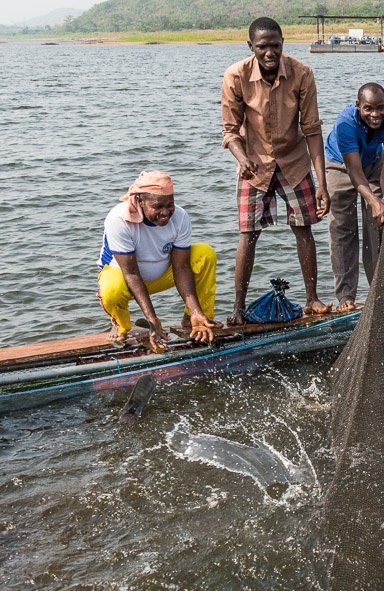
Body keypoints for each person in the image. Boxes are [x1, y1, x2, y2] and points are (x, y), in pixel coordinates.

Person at [221, 16, 333, 326]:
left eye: (276, 46)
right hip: (254, 164)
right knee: (248, 233)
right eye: (263, 47)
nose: (270, 53)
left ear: (283, 45)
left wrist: (322, 183)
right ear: (251, 47)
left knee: (304, 228)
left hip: (294, 162)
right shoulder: (236, 76)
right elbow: (230, 131)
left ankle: (312, 298)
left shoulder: (302, 73)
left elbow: (311, 130)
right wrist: (241, 159)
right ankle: (238, 307)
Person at [97, 171, 218, 353]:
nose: (165, 212)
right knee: (110, 290)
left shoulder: (181, 217)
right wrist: (152, 319)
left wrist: (195, 310)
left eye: (170, 205)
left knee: (205, 254)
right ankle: (122, 326)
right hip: (125, 279)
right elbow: (131, 273)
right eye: (158, 206)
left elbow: (182, 267)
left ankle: (196, 318)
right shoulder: (119, 220)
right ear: (139, 201)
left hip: (163, 273)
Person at [325, 82, 384, 313]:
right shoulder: (345, 123)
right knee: (342, 229)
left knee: (378, 225)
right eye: (368, 108)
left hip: (373, 163)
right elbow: (353, 170)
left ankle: (382, 292)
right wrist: (372, 201)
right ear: (358, 105)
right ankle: (346, 297)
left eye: (380, 108)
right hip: (340, 164)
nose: (375, 114)